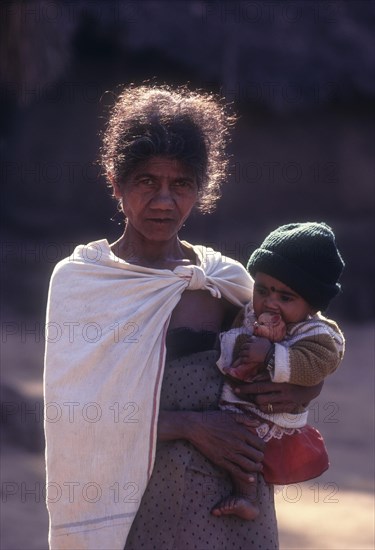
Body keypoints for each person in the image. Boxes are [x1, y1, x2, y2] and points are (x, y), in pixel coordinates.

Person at [44, 85, 323, 550]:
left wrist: (303, 385)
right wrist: (193, 426)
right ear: (115, 183)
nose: (164, 200)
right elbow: (72, 417)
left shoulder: (225, 281)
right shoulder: (84, 283)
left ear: (202, 189)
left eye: (182, 184)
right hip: (137, 504)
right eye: (146, 181)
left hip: (233, 507)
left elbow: (308, 348)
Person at [213, 222, 345, 521]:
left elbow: (319, 363)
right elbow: (232, 333)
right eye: (262, 290)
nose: (269, 303)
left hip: (271, 417)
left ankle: (246, 496)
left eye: (285, 297)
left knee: (245, 452)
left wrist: (273, 355)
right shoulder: (249, 313)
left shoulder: (318, 332)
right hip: (236, 402)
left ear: (311, 304)